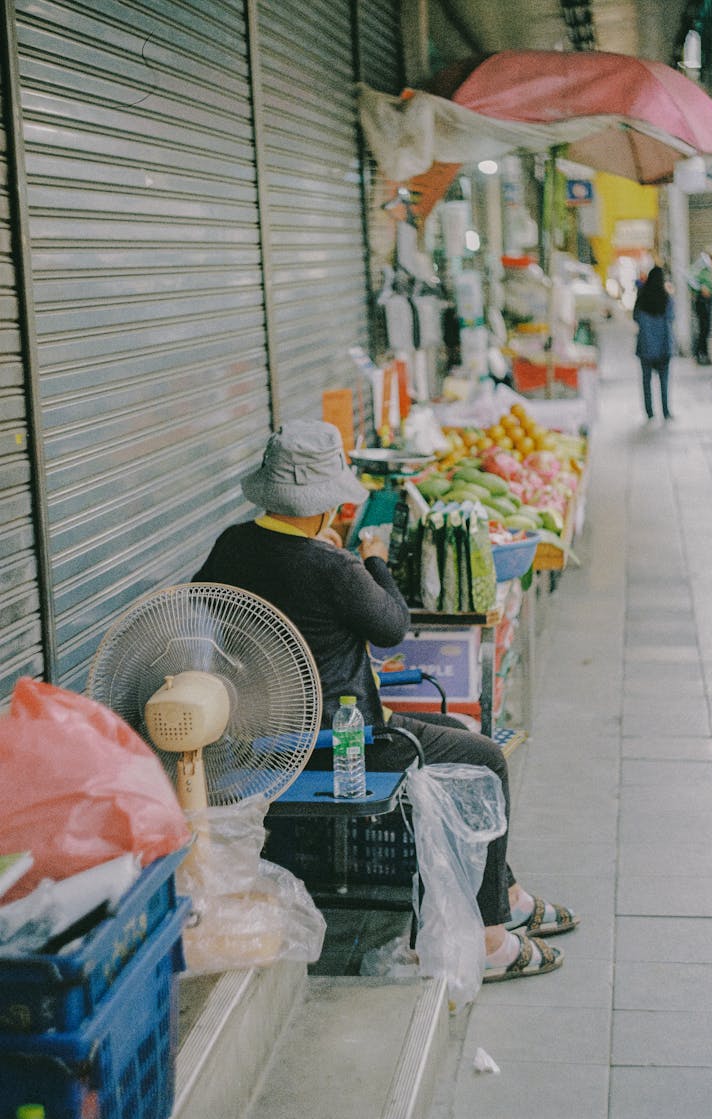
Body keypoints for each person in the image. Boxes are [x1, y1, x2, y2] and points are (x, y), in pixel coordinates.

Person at [194, 420, 579, 982]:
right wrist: (373, 558)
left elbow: (203, 600)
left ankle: (507, 894)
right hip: (341, 746)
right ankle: (493, 937)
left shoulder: (232, 547)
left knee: (449, 729)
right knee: (485, 759)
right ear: (326, 507)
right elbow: (393, 626)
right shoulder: (334, 568)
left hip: (260, 744)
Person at [633, 265, 675, 422]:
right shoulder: (666, 297)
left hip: (646, 345)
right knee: (664, 381)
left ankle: (649, 411)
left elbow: (636, 316)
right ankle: (665, 410)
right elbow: (671, 317)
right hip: (664, 344)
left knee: (646, 380)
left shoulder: (642, 295)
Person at [688, 245, 712, 365]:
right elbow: (689, 276)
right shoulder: (703, 264)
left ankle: (702, 354)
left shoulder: (704, 265)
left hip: (705, 300)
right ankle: (701, 354)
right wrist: (699, 288)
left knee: (705, 328)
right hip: (702, 301)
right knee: (704, 328)